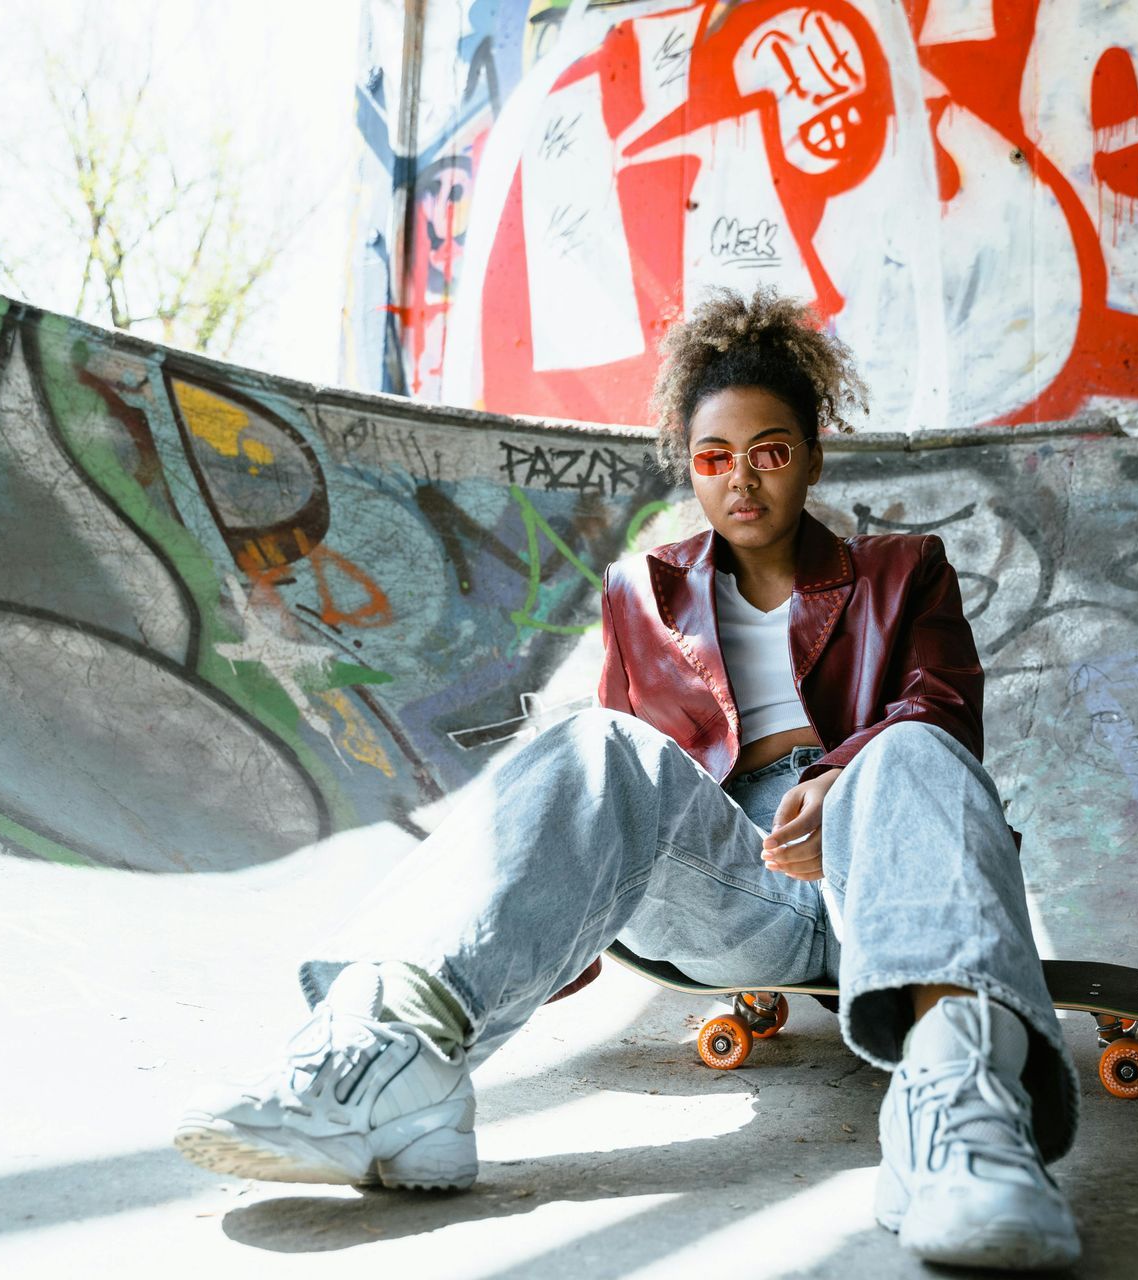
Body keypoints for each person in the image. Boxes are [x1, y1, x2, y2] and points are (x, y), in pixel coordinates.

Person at [174, 287, 1083, 1271]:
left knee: (912, 749)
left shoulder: (905, 570)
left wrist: (842, 773)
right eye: (713, 457)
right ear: (689, 467)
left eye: (770, 450)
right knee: (593, 739)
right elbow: (618, 805)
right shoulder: (643, 596)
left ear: (814, 454)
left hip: (888, 865)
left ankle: (959, 1117)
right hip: (737, 879)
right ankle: (397, 1053)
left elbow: (943, 709)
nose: (742, 479)